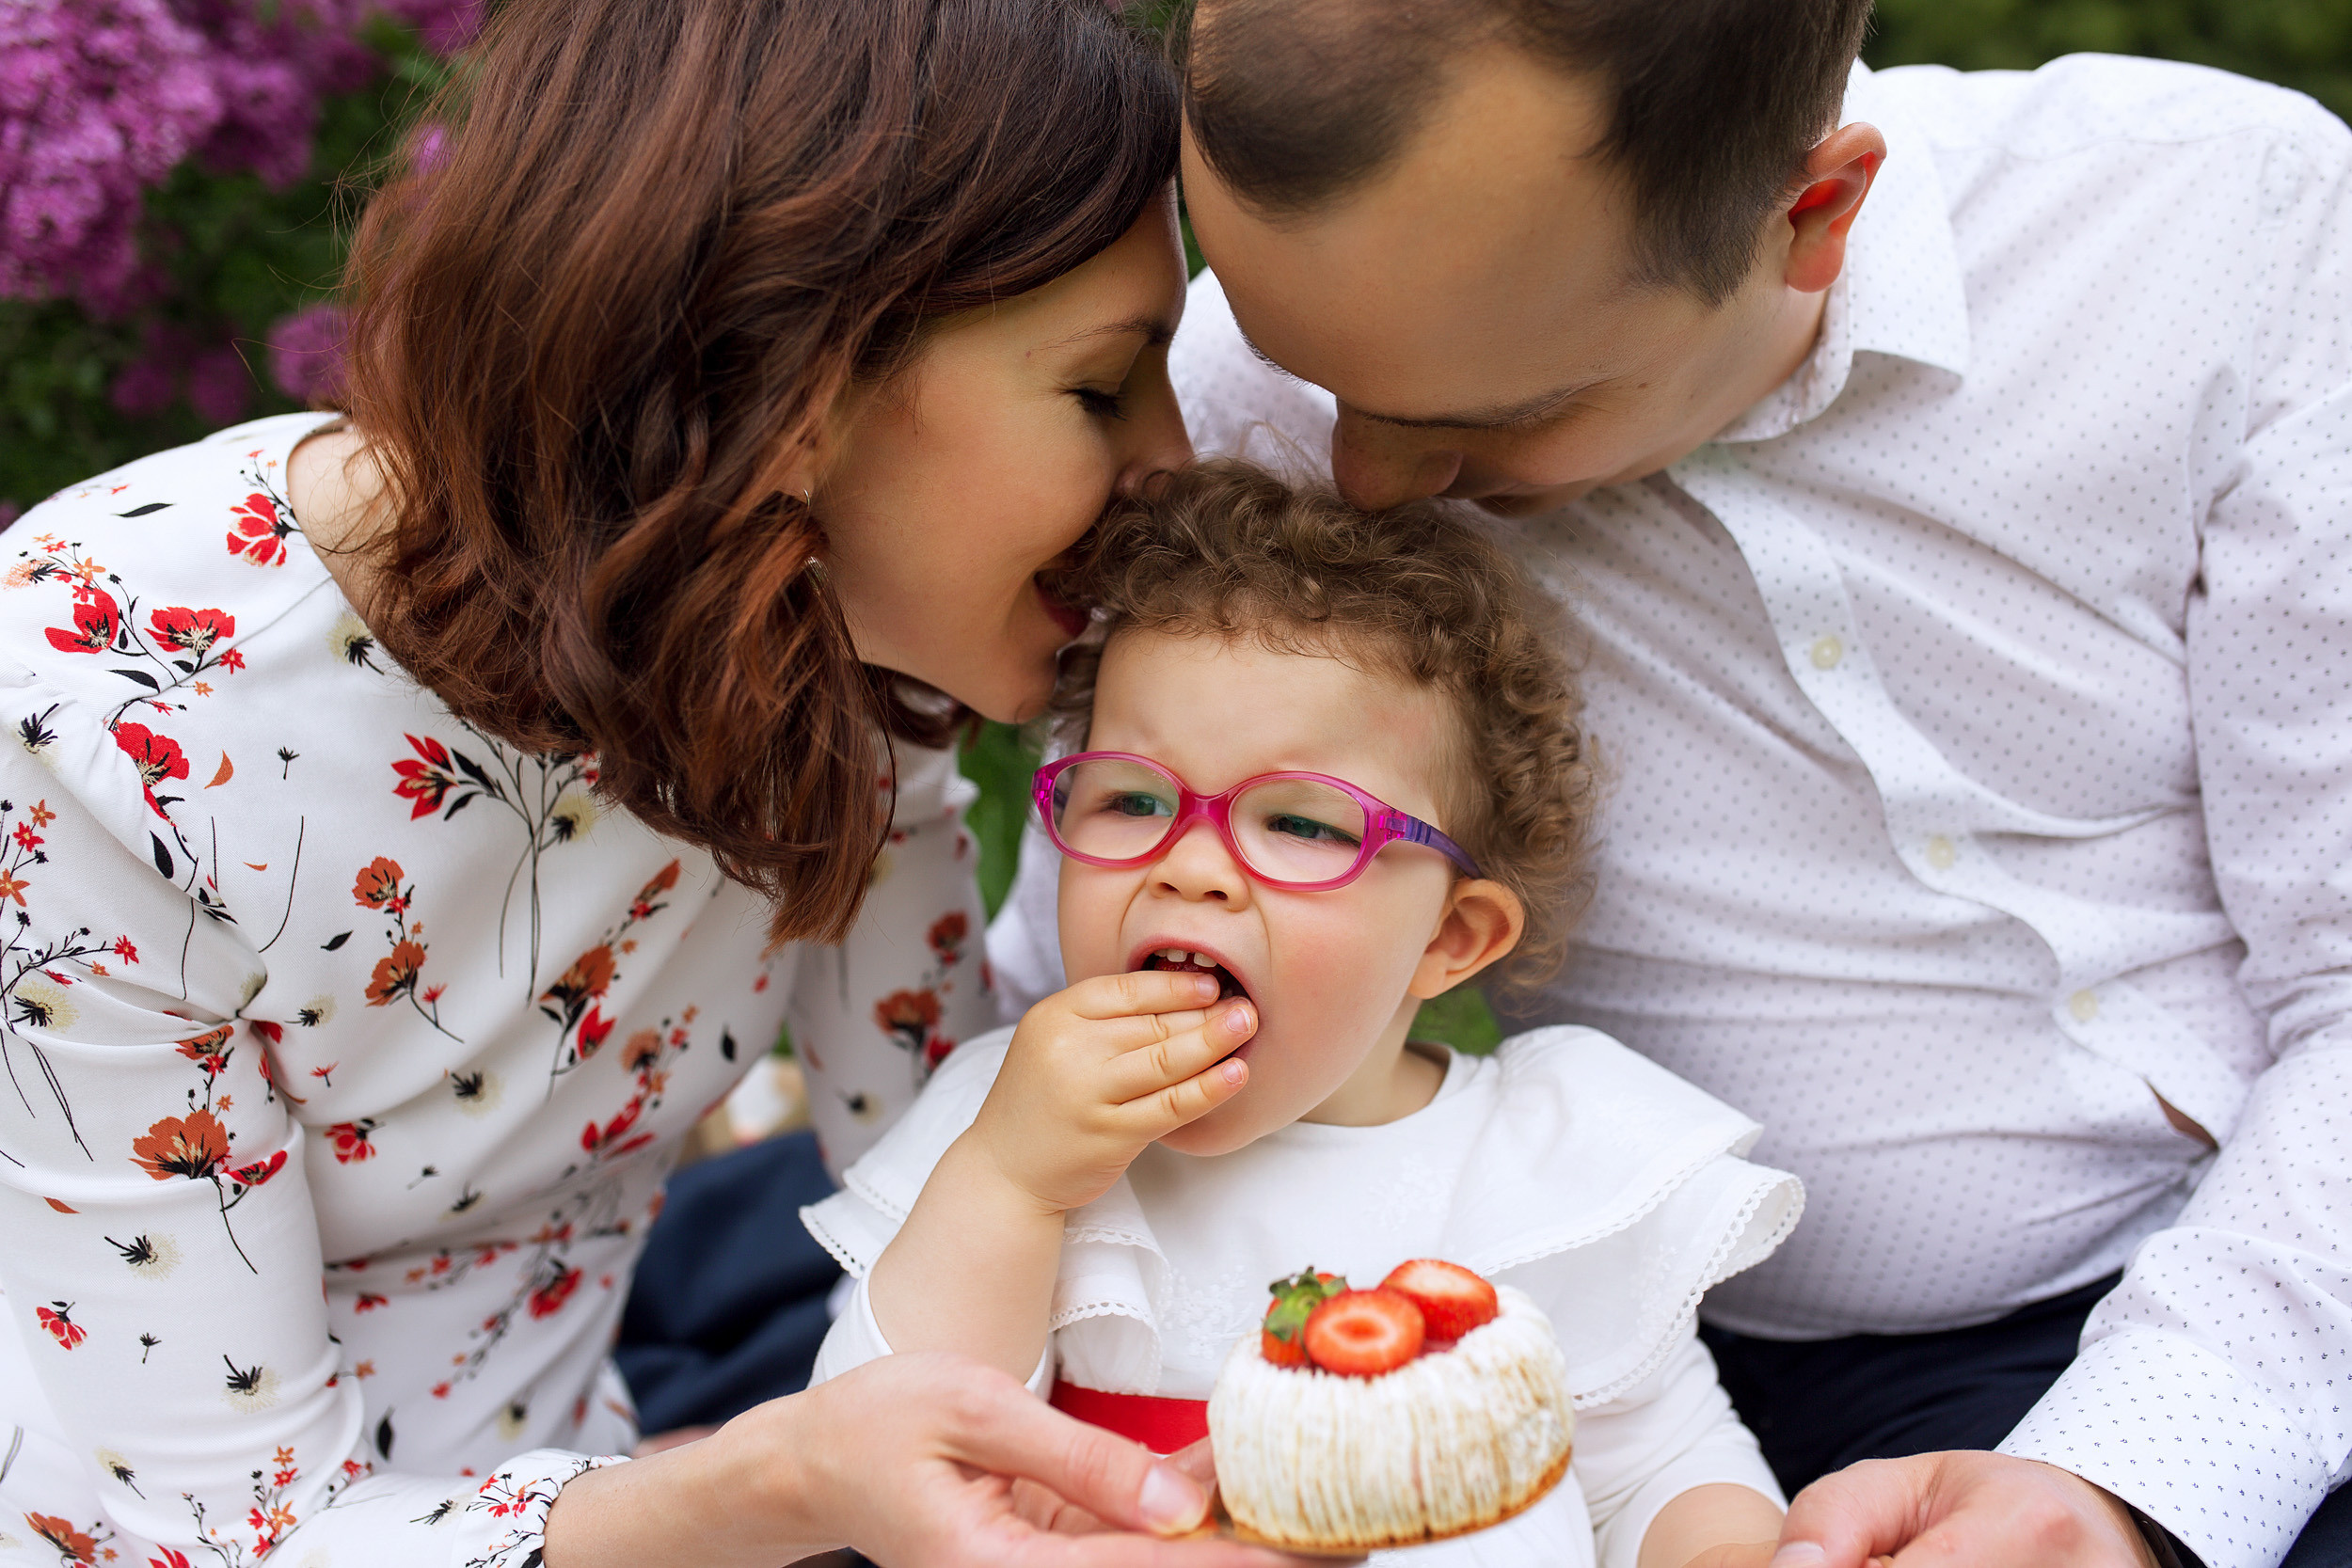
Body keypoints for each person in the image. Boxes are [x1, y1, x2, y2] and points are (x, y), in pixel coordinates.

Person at [987, 3, 2352, 1566]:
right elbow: (1089, 947)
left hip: (2265, 1286)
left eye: (1487, 415)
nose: (1359, 480)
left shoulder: (2221, 239)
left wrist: (2134, 1471)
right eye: (1309, 375)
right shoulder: (1255, 386)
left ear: (1812, 213)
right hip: (1612, 1348)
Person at [0, 1, 1306, 1564]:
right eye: (1103, 387)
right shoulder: (96, 721)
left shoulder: (817, 628)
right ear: (792, 384)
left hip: (617, 1483)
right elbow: (214, 1532)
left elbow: (962, 1165)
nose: (1176, 459)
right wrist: (771, 1485)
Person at [805, 461, 1811, 1568]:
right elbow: (864, 1460)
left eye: (1299, 824)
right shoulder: (1006, 1127)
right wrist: (1007, 1182)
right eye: (1134, 797)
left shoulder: (1545, 1159)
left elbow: (1665, 1471)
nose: (1191, 867)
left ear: (1447, 938)